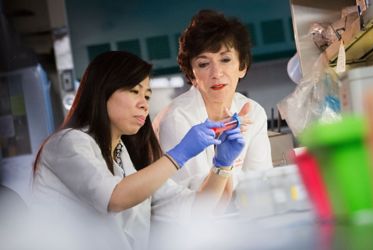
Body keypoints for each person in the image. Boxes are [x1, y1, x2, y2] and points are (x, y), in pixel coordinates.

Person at [31, 51, 245, 250]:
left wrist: (222, 164)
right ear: (103, 90)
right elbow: (114, 198)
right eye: (135, 92)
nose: (144, 105)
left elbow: (199, 210)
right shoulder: (67, 144)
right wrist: (179, 154)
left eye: (147, 96)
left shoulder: (125, 157)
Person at [153, 10, 273, 208]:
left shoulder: (252, 112)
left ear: (242, 66)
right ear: (192, 75)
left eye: (225, 60)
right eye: (203, 64)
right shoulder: (177, 119)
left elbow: (261, 185)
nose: (216, 73)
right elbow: (201, 203)